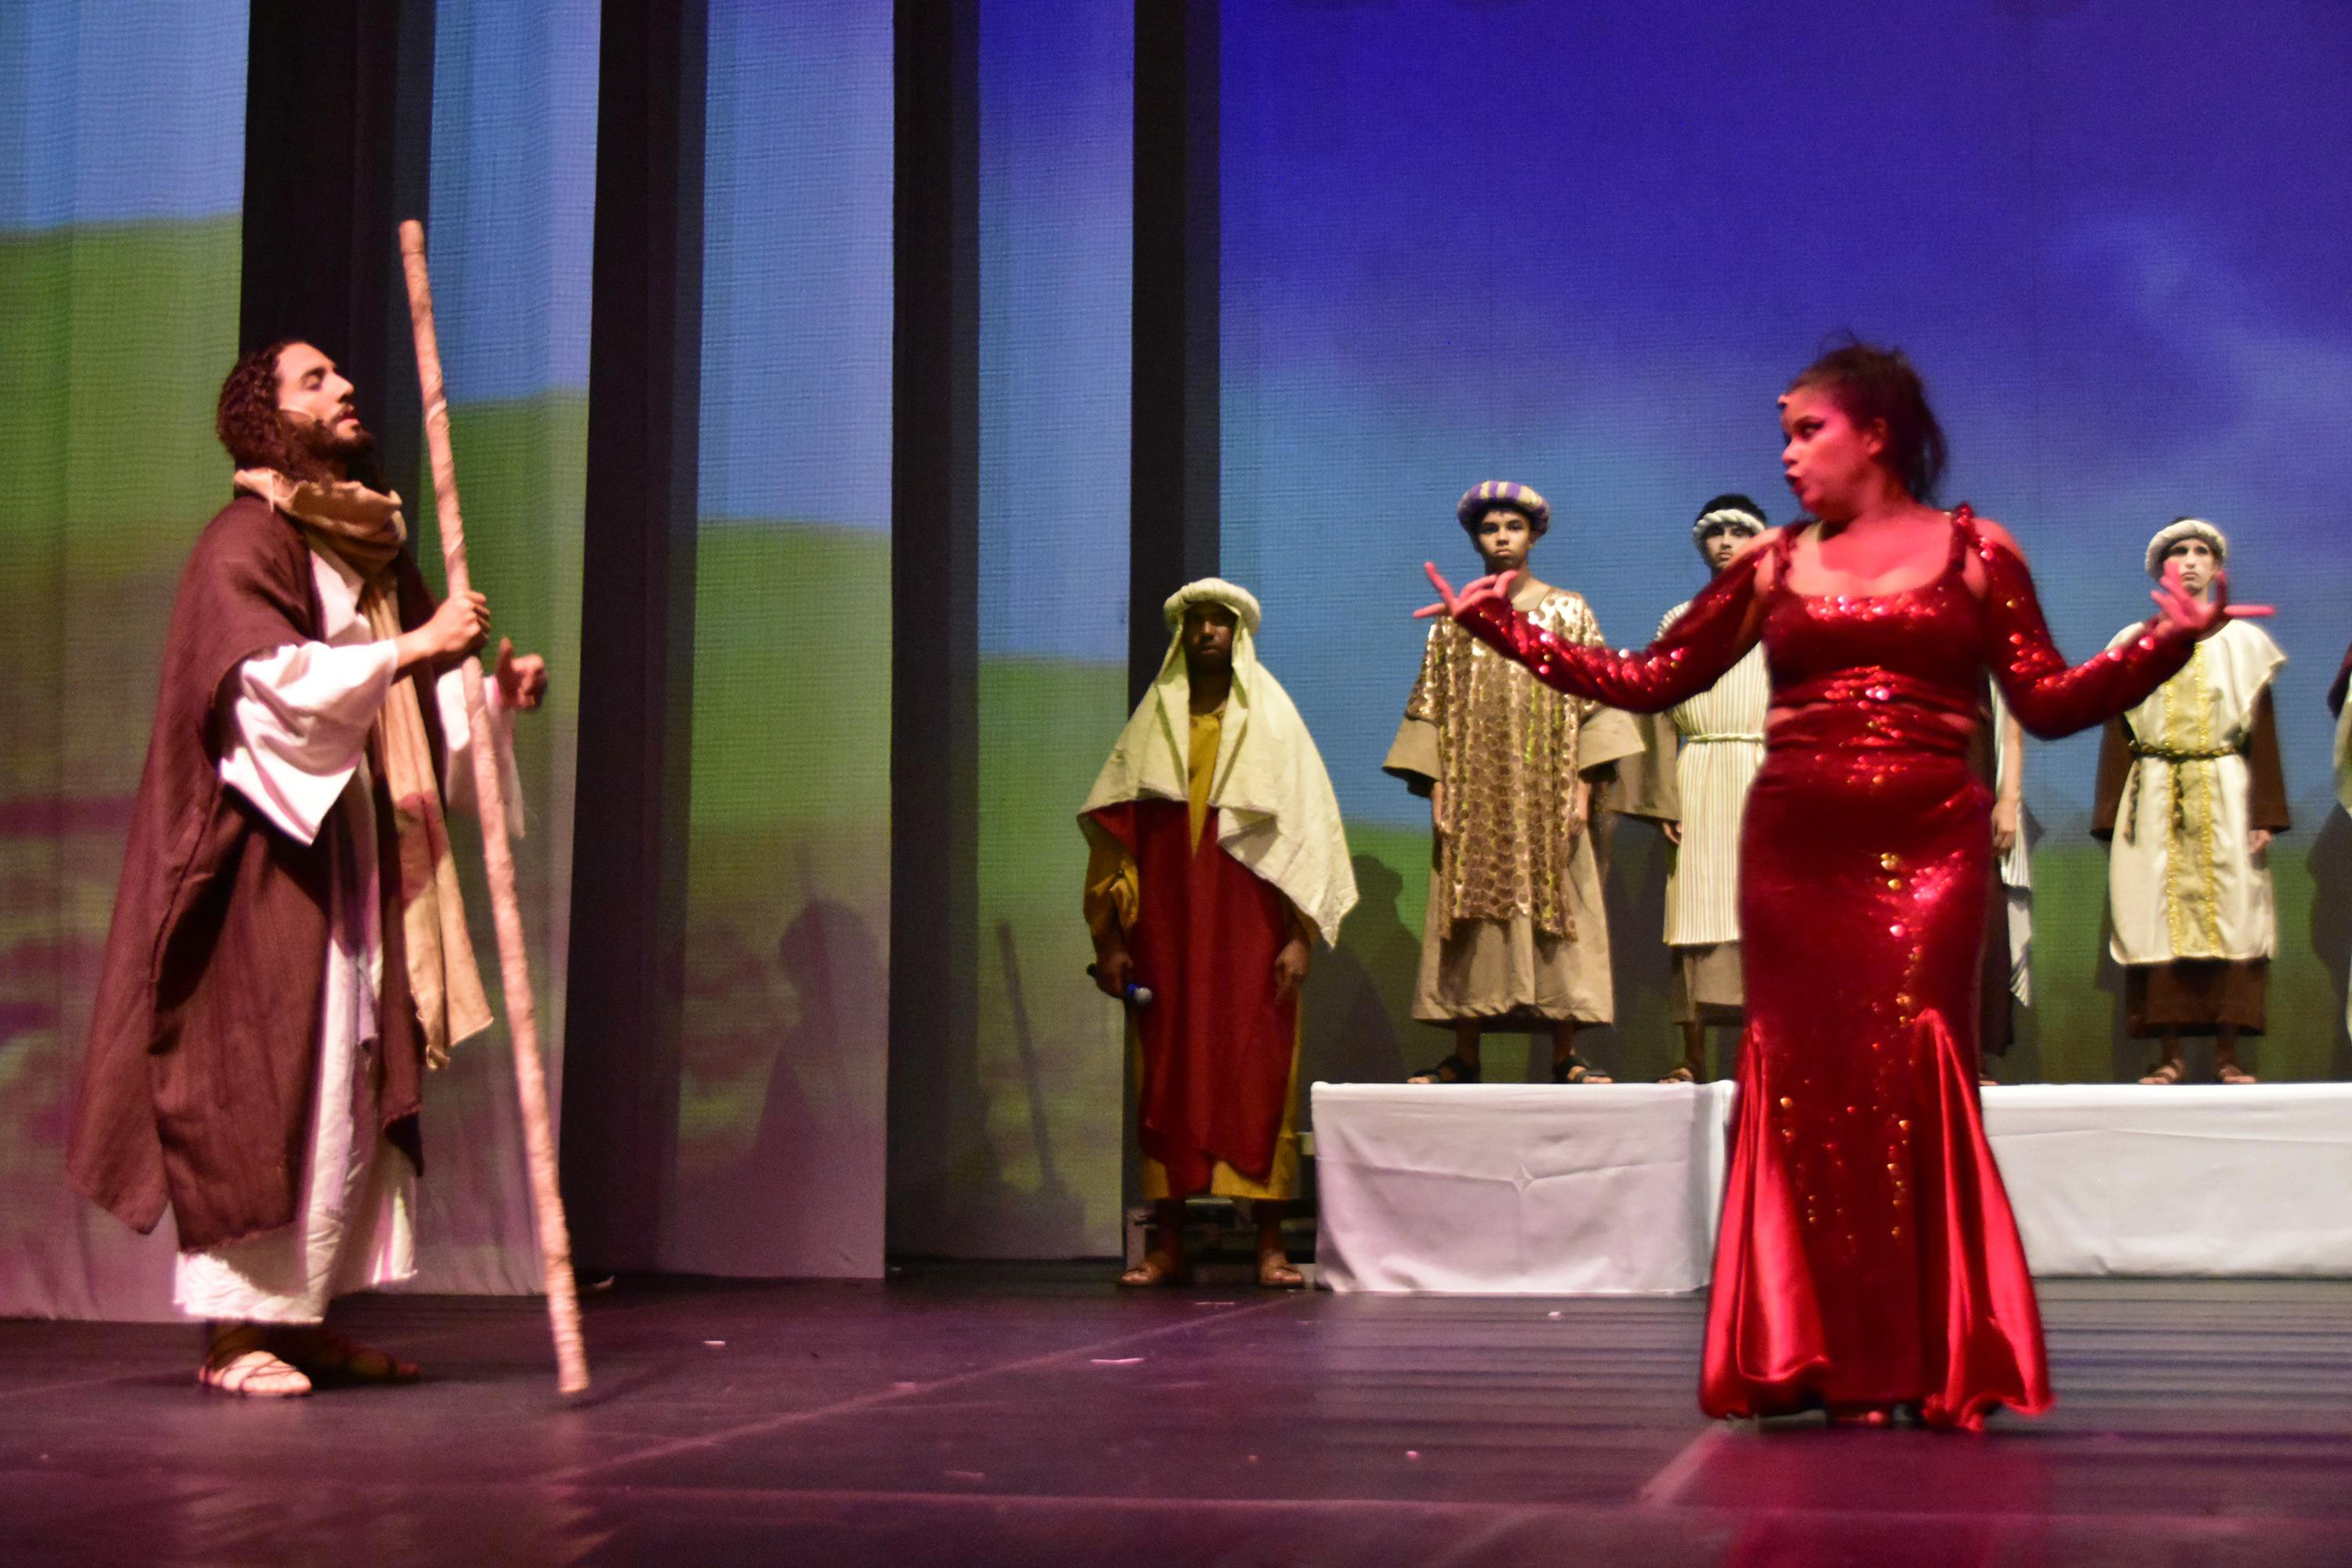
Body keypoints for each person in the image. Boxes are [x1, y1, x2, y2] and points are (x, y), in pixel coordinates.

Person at [1417, 342, 2261, 1428]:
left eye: (1806, 430)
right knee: (1808, 1091)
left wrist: (2165, 645)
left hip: (1930, 848)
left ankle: (1929, 1352)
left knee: (1917, 1069)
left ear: (1876, 433)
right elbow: (1651, 677)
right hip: (1797, 855)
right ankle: (1816, 1354)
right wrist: (1502, 628)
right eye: (1784, 433)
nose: (1786, 455)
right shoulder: (1772, 563)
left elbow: (2046, 700)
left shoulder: (1977, 549)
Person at [67, 341, 549, 1397]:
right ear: (266, 417)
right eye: (315, 382)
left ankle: (305, 1316)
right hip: (266, 867)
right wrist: (413, 648)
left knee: (344, 1078)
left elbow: (419, 712)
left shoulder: (366, 548)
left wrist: (488, 696)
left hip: (356, 864)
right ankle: (236, 1333)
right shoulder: (245, 539)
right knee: (261, 1084)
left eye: (342, 377)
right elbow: (266, 690)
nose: (345, 391)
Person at [1080, 579, 1356, 1288]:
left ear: (1239, 634)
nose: (1207, 632)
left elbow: (1305, 839)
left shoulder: (1274, 723)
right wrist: (1111, 941)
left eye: (1220, 621)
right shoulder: (1153, 727)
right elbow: (1117, 839)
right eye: (1196, 621)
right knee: (1167, 1078)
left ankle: (1269, 1245)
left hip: (1250, 932)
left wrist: (1300, 935)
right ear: (1182, 635)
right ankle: (1170, 1243)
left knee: (1256, 1073)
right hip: (1167, 932)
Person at [1384, 482, 1642, 1086]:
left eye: (1513, 527)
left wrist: (1583, 786)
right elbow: (1431, 706)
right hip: (1476, 787)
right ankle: (1465, 1053)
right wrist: (1439, 787)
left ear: (1534, 535)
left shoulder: (1568, 612)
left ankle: (1565, 1053)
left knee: (1563, 905)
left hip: (1550, 783)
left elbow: (1595, 696)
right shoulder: (1455, 623)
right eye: (1490, 528)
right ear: (1476, 539)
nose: (1501, 537)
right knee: (1468, 909)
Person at [2093, 519, 2288, 1085]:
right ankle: (2170, 1053)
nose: (2192, 560)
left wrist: (2265, 814)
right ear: (2163, 570)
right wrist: (2110, 816)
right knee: (2154, 915)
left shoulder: (2244, 644)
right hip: (2153, 788)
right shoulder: (2134, 642)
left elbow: (2262, 732)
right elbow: (2118, 732)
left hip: (2225, 789)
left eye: (2203, 551)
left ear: (2217, 568)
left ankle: (2228, 1053)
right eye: (2180, 551)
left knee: (2235, 912)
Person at [1621, 495, 1772, 1083]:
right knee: (1694, 908)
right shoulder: (1680, 620)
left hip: (1765, 772)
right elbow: (1657, 705)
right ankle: (1693, 1056)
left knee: (1769, 910)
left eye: (1739, 531)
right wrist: (1664, 796)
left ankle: (1769, 1054)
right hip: (1702, 770)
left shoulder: (1785, 616)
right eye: (1716, 533)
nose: (1727, 542)